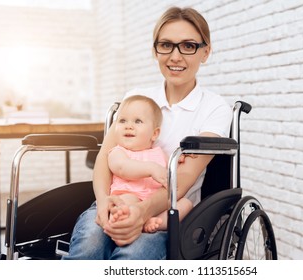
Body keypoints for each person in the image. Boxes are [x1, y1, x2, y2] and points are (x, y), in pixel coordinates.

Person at [63, 6, 232, 260]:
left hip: (168, 215)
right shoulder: (136, 98)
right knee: (89, 246)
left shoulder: (215, 108)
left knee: (134, 256)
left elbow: (181, 180)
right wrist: (102, 201)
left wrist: (142, 212)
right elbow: (106, 157)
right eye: (166, 45)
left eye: (188, 46)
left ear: (205, 52)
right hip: (115, 202)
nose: (175, 56)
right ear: (155, 50)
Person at [107, 95, 193, 233]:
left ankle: (155, 222)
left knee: (186, 204)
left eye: (138, 121)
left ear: (154, 134)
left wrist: (178, 161)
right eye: (122, 121)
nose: (129, 126)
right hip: (130, 195)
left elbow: (166, 171)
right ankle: (126, 224)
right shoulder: (118, 152)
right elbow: (122, 167)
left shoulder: (159, 153)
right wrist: (151, 168)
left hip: (156, 203)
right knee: (124, 205)